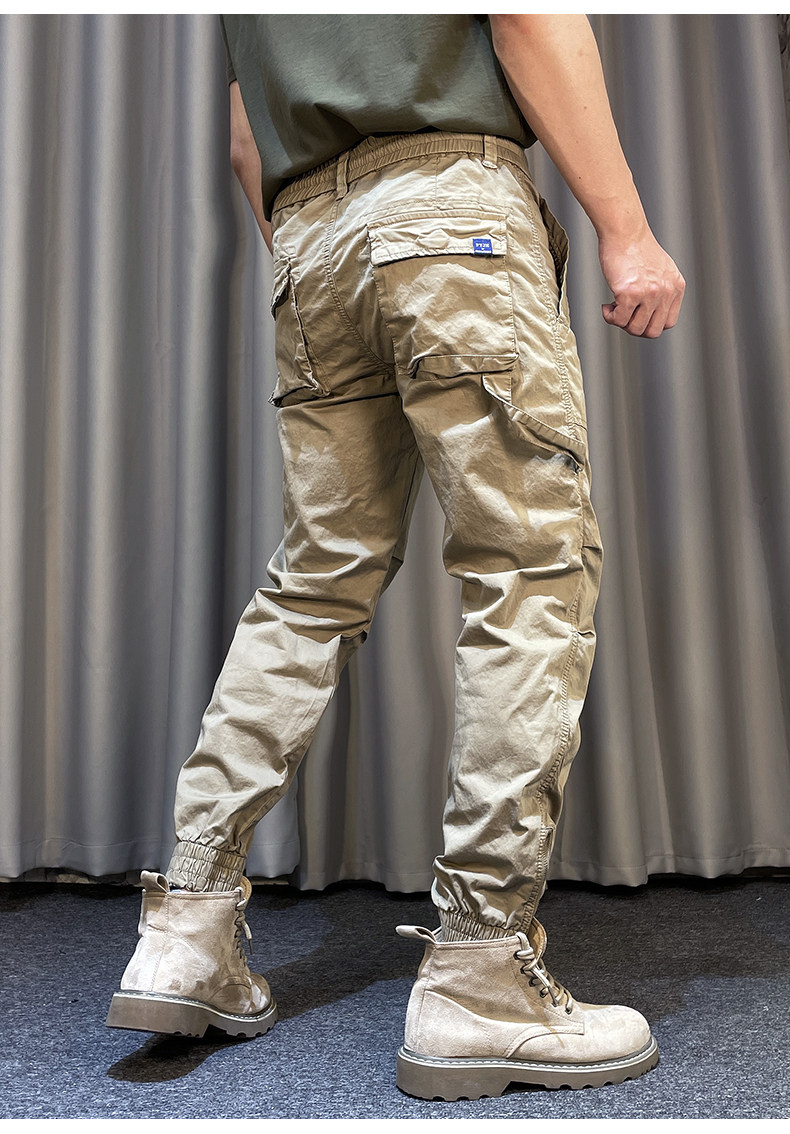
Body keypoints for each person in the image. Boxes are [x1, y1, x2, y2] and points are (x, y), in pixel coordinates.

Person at [107, 15, 685, 1101]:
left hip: (307, 239)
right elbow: (528, 17)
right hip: (451, 208)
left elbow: (244, 136)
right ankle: (479, 974)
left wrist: (320, 249)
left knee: (312, 587)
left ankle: (184, 926)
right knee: (527, 577)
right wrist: (628, 230)